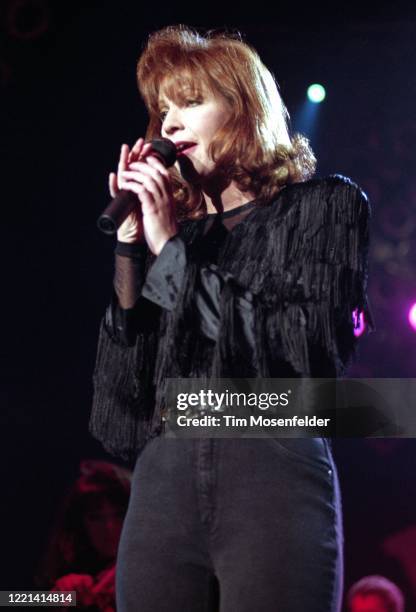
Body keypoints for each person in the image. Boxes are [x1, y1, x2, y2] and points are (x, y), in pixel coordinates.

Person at [90, 24, 373, 612]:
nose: (167, 124)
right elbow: (123, 411)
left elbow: (301, 347)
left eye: (189, 103)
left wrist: (171, 252)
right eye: (162, 109)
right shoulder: (180, 237)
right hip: (164, 481)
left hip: (269, 464)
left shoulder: (322, 207)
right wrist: (130, 250)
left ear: (243, 110)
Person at [37, 460, 131, 611]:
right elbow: (10, 598)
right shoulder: (69, 565)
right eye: (96, 518)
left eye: (119, 515)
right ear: (80, 524)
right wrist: (55, 598)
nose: (109, 527)